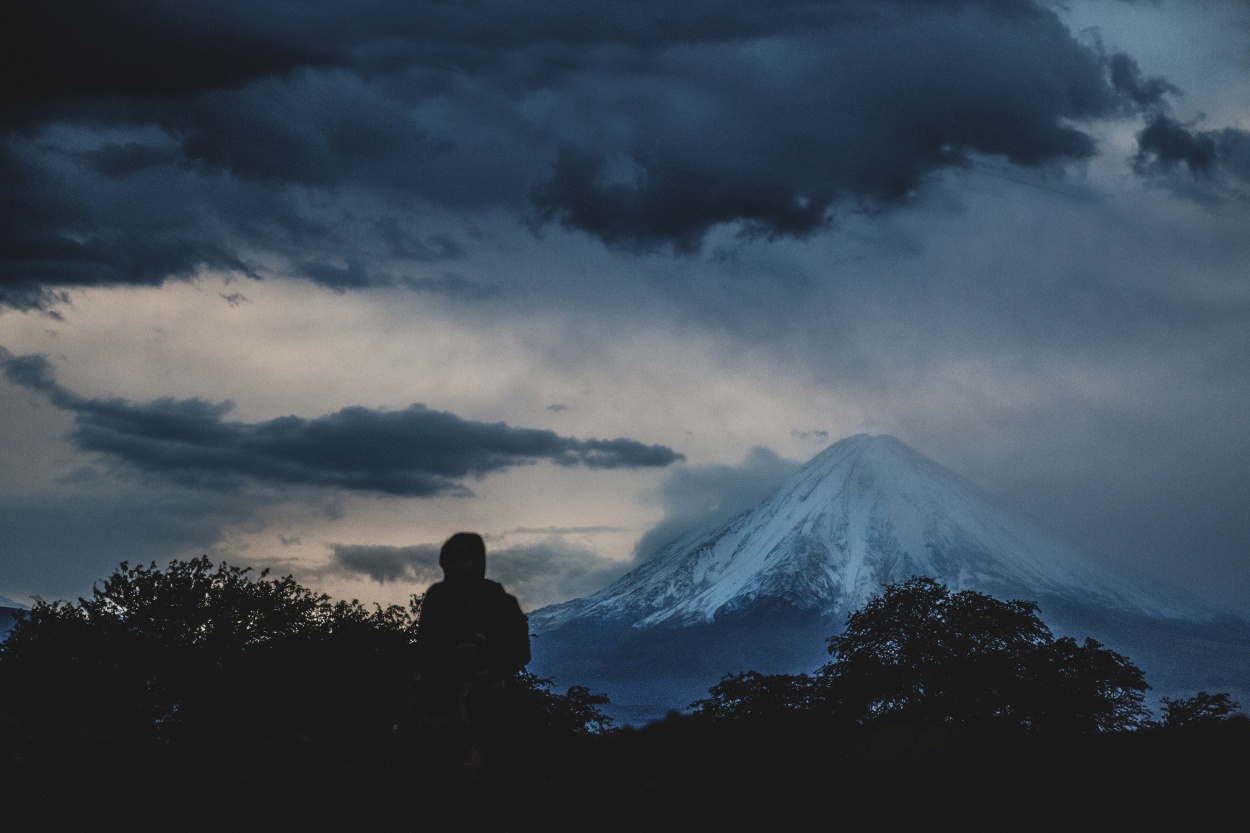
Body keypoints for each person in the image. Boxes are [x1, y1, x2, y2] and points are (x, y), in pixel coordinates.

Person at [412, 532, 531, 742]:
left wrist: (487, 659)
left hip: (490, 701)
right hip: (440, 700)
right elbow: (422, 649)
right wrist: (452, 654)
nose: (458, 565)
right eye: (452, 559)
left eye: (465, 559)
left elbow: (520, 650)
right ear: (444, 562)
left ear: (478, 561)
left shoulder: (499, 601)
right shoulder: (437, 599)